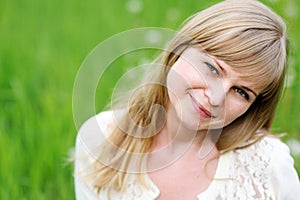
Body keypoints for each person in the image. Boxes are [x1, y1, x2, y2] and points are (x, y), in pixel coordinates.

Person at [74, 0, 300, 199]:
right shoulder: (99, 139)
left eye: (241, 92)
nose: (216, 98)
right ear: (180, 49)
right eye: (212, 68)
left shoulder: (269, 166)